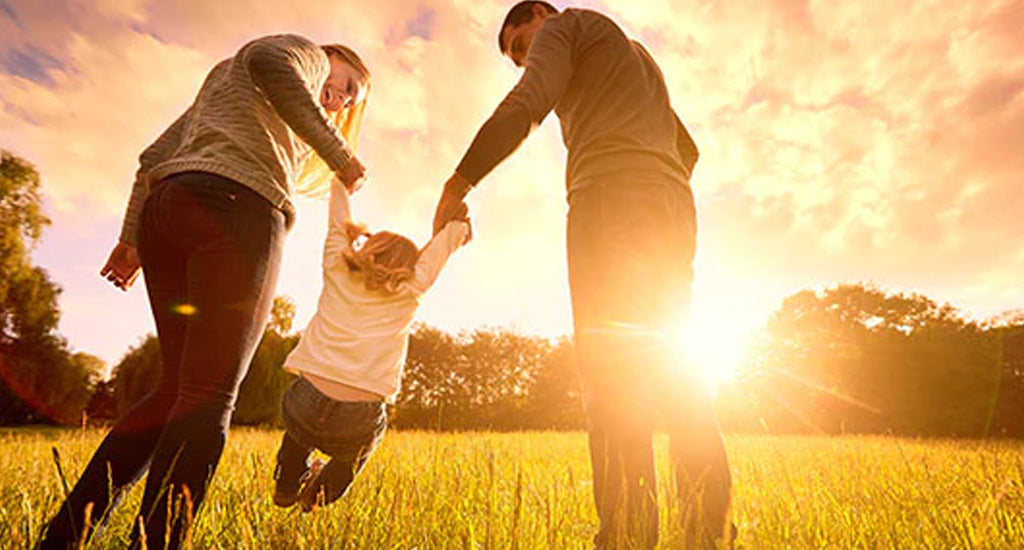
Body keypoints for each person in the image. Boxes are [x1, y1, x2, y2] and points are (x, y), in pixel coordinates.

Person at [37, 35, 371, 550]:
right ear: (332, 59)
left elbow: (152, 158)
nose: (344, 98)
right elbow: (269, 59)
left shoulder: (228, 87)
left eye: (352, 99)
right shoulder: (302, 53)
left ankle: (63, 537)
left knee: (176, 390)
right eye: (347, 84)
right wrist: (339, 153)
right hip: (237, 210)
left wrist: (131, 240)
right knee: (210, 396)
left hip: (168, 210)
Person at [431, 2, 733, 549]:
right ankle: (706, 536)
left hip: (609, 202)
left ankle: (627, 538)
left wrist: (459, 183)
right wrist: (652, 179)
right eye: (517, 58)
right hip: (671, 206)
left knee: (611, 375)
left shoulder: (567, 27)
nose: (525, 61)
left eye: (523, 46)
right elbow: (687, 148)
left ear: (542, 15)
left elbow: (529, 102)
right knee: (676, 368)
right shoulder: (634, 55)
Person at [272, 180, 470, 512]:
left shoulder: (337, 267)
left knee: (298, 434)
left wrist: (340, 182)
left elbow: (337, 221)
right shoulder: (411, 288)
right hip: (359, 415)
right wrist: (459, 224)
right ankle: (319, 495)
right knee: (354, 455)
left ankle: (287, 485)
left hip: (306, 399)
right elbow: (443, 247)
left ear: (368, 249)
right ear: (409, 266)